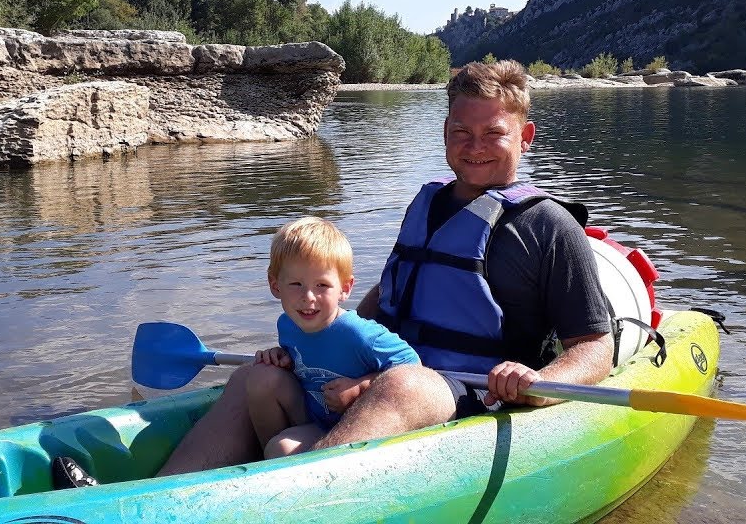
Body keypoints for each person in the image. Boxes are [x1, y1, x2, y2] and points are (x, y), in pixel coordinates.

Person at [158, 61, 613, 475]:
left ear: (525, 136)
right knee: (253, 379)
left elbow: (595, 346)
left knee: (404, 384)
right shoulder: (428, 203)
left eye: (493, 133)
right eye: (461, 132)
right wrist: (324, 343)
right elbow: (392, 291)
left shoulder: (549, 226)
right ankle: (151, 497)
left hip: (466, 392)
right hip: (374, 374)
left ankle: (296, 493)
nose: (475, 147)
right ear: (444, 132)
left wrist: (539, 383)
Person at [247, 217, 419, 459]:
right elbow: (305, 355)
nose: (308, 297)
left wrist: (360, 387)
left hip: (357, 426)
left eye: (322, 285)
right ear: (275, 286)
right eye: (296, 284)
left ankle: (278, 458)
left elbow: (412, 366)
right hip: (314, 418)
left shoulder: (358, 333)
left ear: (345, 289)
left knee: (282, 448)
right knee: (259, 376)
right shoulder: (288, 324)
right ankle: (267, 458)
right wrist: (281, 355)